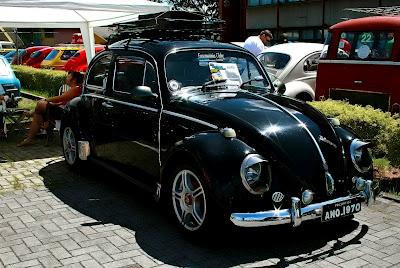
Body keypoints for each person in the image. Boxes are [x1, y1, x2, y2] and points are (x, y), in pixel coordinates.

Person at [17, 71, 84, 147]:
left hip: (66, 113)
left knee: (40, 105)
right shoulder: (73, 89)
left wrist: (46, 100)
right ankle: (30, 137)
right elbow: (63, 102)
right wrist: (52, 103)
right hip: (63, 109)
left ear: (74, 80)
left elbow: (60, 98)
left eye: (68, 76)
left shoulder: (76, 88)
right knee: (38, 113)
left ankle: (34, 128)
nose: (66, 78)